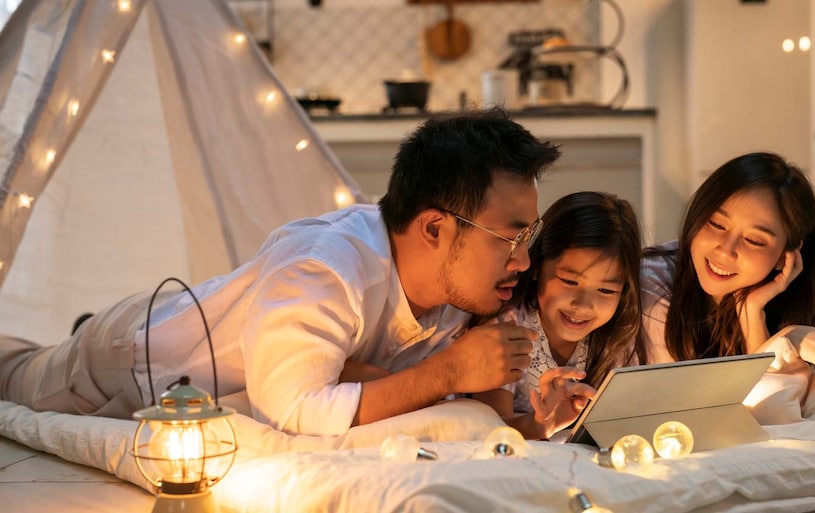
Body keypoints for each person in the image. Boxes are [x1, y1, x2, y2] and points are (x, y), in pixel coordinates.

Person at [0, 109, 561, 436]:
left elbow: (435, 394)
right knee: (14, 376)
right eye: (510, 237)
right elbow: (293, 409)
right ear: (434, 229)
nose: (523, 260)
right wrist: (445, 373)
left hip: (202, 336)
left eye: (528, 237)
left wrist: (534, 418)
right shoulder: (323, 268)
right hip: (131, 361)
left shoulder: (468, 285)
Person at [641, 151, 815, 389]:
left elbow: (784, 414)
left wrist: (753, 317)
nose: (725, 251)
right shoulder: (650, 286)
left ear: (786, 255)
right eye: (716, 224)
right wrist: (785, 343)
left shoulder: (786, 300)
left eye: (754, 241)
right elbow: (696, 408)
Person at [474, 191, 647, 439]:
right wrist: (538, 425)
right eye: (569, 281)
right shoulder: (507, 328)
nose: (583, 305)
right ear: (536, 266)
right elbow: (488, 430)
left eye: (606, 290)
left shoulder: (618, 336)